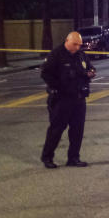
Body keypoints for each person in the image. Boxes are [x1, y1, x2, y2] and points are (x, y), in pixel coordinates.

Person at [40, 31, 96, 169]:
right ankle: (47, 157)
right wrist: (57, 87)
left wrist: (91, 73)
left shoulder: (81, 55)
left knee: (77, 130)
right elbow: (45, 73)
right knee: (56, 130)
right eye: (75, 44)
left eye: (79, 45)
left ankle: (74, 158)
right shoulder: (56, 54)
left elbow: (90, 67)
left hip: (78, 98)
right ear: (67, 41)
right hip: (62, 99)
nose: (77, 47)